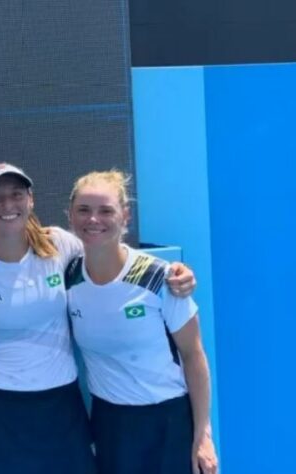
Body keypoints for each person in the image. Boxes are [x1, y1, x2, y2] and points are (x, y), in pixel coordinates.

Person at [0, 163, 195, 474]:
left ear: (31, 200)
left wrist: (171, 274)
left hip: (62, 408)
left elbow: (109, 253)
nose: (8, 205)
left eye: (16, 194)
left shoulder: (58, 245)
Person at [64, 170, 217, 474]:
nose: (93, 220)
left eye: (106, 210)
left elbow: (193, 355)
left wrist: (204, 436)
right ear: (70, 216)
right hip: (109, 424)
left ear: (125, 216)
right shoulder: (67, 276)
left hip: (169, 422)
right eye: (84, 210)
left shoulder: (161, 278)